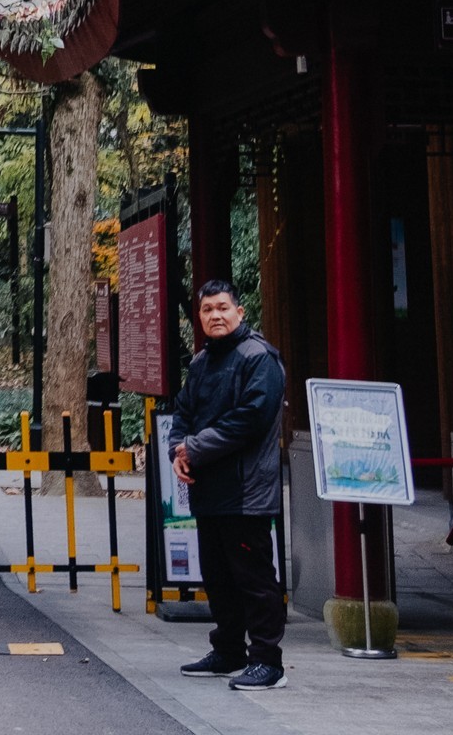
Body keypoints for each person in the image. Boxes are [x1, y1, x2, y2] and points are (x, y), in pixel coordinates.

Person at [171, 280, 289, 691]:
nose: (215, 316)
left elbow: (250, 420)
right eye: (207, 310)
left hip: (247, 490)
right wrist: (178, 451)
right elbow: (182, 411)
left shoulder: (260, 358)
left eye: (222, 308)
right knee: (218, 577)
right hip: (210, 489)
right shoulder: (202, 362)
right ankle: (228, 650)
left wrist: (194, 448)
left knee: (254, 579)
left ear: (240, 312)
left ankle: (267, 662)